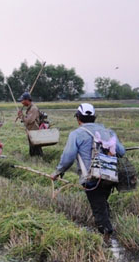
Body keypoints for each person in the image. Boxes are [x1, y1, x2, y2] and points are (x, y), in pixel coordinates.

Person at [50, 103, 125, 242]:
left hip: (92, 178)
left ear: (78, 118)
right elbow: (121, 151)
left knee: (98, 208)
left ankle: (108, 239)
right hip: (110, 177)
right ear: (94, 118)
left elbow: (68, 158)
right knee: (101, 202)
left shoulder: (77, 134)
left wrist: (58, 172)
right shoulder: (108, 132)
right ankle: (109, 231)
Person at [17, 92, 43, 157]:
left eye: (22, 100)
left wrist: (22, 116)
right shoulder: (30, 108)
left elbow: (29, 120)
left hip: (35, 132)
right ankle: (34, 160)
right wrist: (22, 116)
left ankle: (38, 161)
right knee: (32, 148)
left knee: (36, 148)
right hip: (31, 131)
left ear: (27, 100)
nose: (21, 102)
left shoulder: (33, 108)